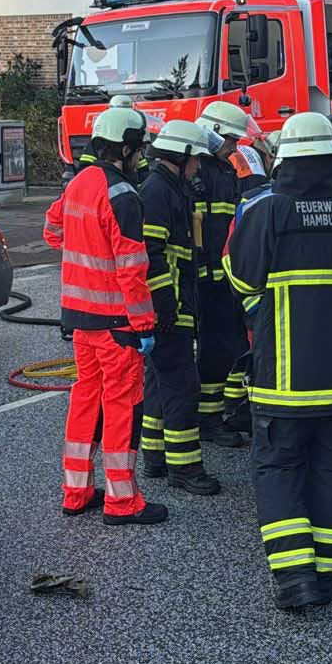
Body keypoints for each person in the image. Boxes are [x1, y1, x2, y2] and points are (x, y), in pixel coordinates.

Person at [224, 112, 332, 612]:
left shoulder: (267, 212)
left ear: (285, 160)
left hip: (282, 384)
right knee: (329, 473)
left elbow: (240, 281)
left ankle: (294, 577)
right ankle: (326, 576)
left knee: (278, 470)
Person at [40, 106, 165, 525]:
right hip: (117, 325)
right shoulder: (123, 196)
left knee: (84, 402)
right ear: (126, 148)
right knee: (121, 407)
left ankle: (75, 492)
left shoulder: (78, 184)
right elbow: (133, 270)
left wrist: (85, 251)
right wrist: (145, 324)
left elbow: (52, 230)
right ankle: (121, 501)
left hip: (81, 321)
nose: (141, 157)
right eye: (138, 149)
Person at [136, 118, 220, 497]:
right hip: (168, 306)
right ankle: (185, 467)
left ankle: (155, 456)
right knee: (183, 386)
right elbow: (151, 256)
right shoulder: (158, 192)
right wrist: (166, 308)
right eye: (196, 159)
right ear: (181, 155)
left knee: (159, 381)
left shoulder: (169, 188)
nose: (199, 166)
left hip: (169, 305)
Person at [193, 100, 254, 446]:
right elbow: (201, 233)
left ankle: (222, 414)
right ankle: (209, 419)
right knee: (215, 351)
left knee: (229, 346)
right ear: (213, 132)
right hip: (208, 280)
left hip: (225, 276)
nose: (234, 147)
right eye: (230, 140)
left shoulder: (223, 171)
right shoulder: (199, 171)